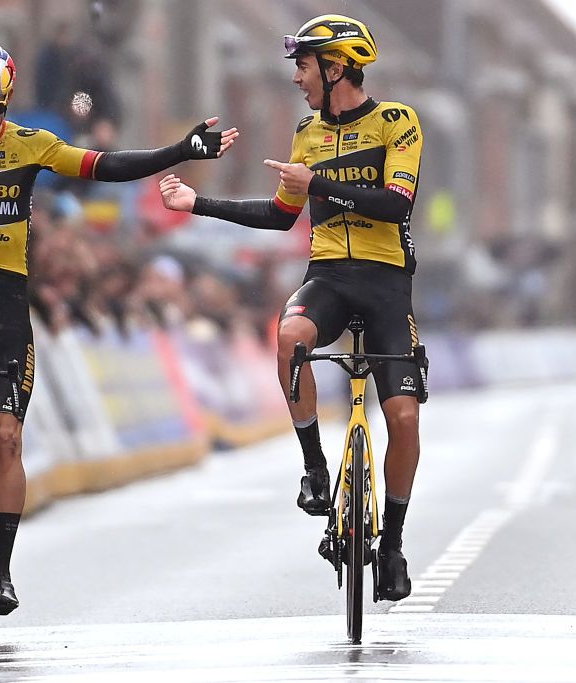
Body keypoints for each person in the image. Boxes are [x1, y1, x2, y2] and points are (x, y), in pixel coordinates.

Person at [0, 41, 237, 616]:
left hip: (8, 303)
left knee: (8, 437)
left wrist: (181, 149)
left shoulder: (32, 145)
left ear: (7, 102)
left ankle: (2, 573)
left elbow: (107, 167)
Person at [158, 15, 424, 601]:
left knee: (403, 418)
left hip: (384, 282)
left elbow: (394, 204)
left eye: (304, 66)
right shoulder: (307, 133)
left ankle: (395, 545)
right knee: (289, 337)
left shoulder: (396, 123)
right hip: (328, 274)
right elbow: (280, 215)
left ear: (335, 68)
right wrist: (197, 202)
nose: (298, 78)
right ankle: (315, 467)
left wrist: (319, 185)